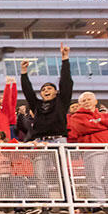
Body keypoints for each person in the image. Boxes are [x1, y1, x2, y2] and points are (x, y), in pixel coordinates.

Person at [20, 44, 73, 202]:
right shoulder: (36, 105)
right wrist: (24, 73)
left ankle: (69, 202)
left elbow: (66, 83)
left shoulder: (62, 101)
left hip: (59, 139)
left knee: (62, 173)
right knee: (40, 175)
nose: (46, 90)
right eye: (43, 89)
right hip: (40, 142)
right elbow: (28, 91)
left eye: (50, 88)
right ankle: (46, 203)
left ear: (55, 91)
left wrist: (65, 60)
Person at [70, 92, 108, 201]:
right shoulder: (76, 117)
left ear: (95, 101)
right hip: (93, 150)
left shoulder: (106, 115)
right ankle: (101, 204)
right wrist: (107, 125)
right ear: (80, 104)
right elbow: (83, 128)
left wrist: (99, 120)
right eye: (83, 101)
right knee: (94, 179)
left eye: (89, 99)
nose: (86, 102)